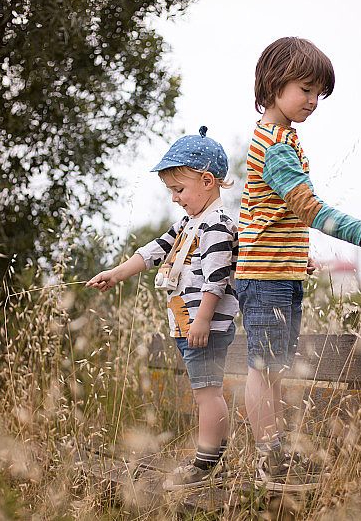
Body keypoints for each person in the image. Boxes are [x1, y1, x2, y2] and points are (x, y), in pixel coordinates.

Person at [237, 37, 361, 491]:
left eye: (319, 94)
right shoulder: (274, 144)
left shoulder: (283, 138)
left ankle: (277, 455)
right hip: (265, 275)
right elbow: (306, 206)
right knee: (263, 365)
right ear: (274, 86)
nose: (313, 101)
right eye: (305, 90)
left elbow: (271, 213)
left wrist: (296, 254)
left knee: (274, 364)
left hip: (279, 268)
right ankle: (268, 460)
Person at [87, 126, 238, 490]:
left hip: (205, 326)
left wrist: (201, 319)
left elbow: (216, 279)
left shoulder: (216, 225)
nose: (174, 199)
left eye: (179, 190)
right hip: (189, 325)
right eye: (171, 191)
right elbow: (154, 250)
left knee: (208, 392)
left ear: (207, 181)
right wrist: (117, 273)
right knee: (205, 390)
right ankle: (212, 459)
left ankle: (205, 465)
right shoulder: (188, 224)